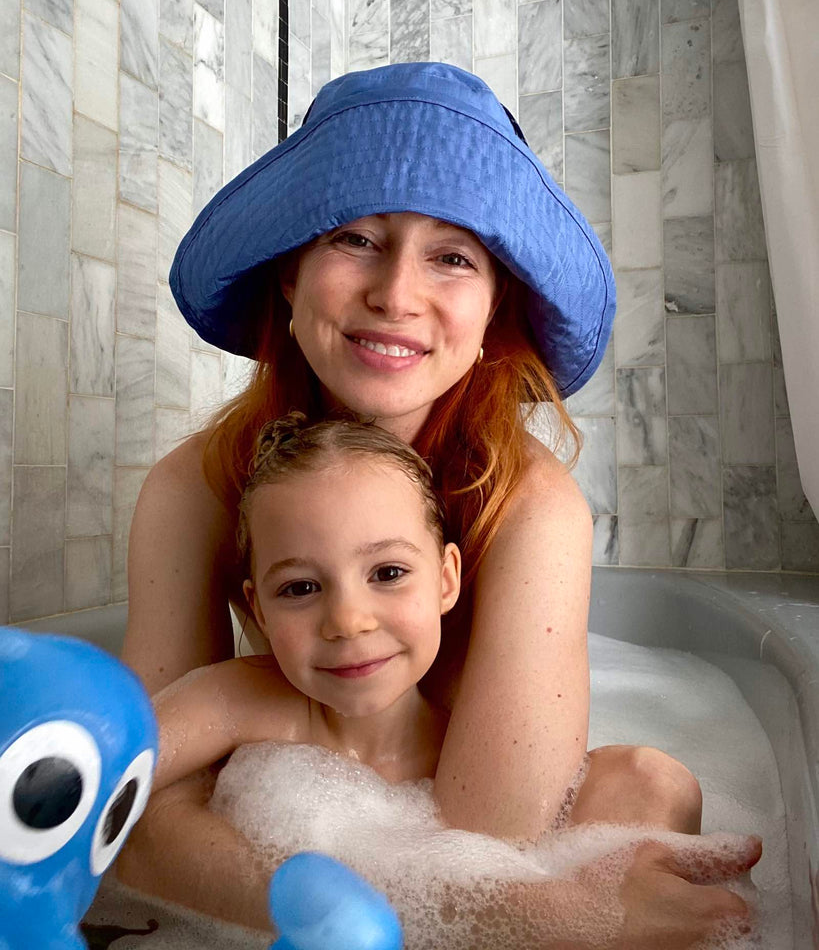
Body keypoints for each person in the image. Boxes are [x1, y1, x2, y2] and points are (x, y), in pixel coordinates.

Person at [118, 61, 761, 944]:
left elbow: (495, 836)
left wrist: (508, 903)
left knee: (647, 785)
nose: (396, 294)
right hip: (311, 823)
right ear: (286, 275)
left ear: (494, 308)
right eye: (354, 238)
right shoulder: (197, 488)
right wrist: (342, 912)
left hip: (447, 831)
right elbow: (129, 809)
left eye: (452, 257)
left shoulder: (530, 508)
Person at [151, 412, 462, 793]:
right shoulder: (239, 700)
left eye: (388, 574)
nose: (348, 621)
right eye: (300, 588)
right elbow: (106, 770)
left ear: (446, 581)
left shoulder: (473, 755)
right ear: (260, 611)